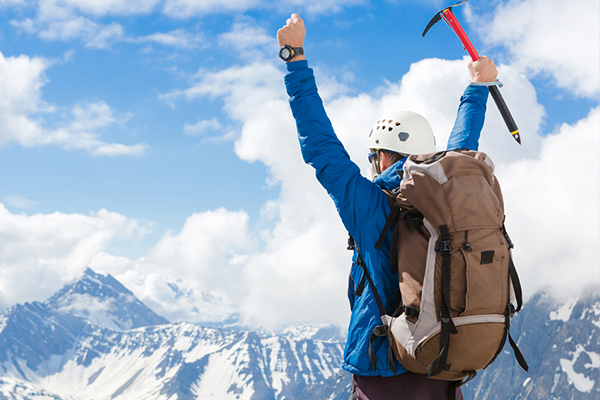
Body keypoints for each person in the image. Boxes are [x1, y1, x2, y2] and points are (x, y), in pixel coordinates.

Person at [277, 13, 498, 400]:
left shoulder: (371, 206)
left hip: (383, 372)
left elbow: (321, 147)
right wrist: (477, 87)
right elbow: (462, 148)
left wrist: (294, 58)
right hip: (441, 367)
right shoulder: (449, 203)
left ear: (381, 157)